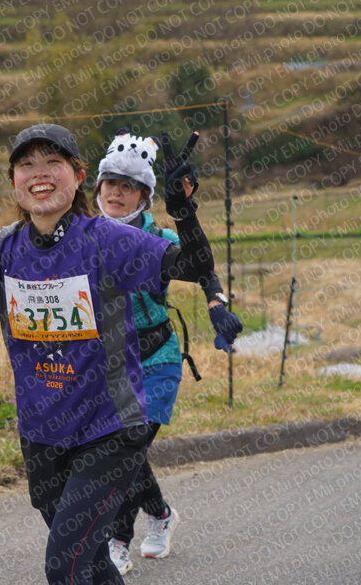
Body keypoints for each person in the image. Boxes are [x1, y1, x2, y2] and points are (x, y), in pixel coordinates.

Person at [0, 123, 230, 584]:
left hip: (109, 430)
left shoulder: (107, 240)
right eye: (26, 164)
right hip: (42, 434)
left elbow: (194, 265)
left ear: (78, 176)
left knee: (64, 566)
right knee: (92, 564)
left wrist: (184, 211)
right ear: (14, 180)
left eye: (53, 162)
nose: (40, 173)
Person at [93, 128, 243, 574]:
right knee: (124, 450)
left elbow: (201, 266)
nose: (116, 193)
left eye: (128, 186)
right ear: (97, 186)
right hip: (107, 364)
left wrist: (216, 303)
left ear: (144, 196)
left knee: (128, 449)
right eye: (110, 183)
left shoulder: (157, 237)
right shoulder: (82, 235)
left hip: (156, 358)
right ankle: (160, 513)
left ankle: (117, 540)